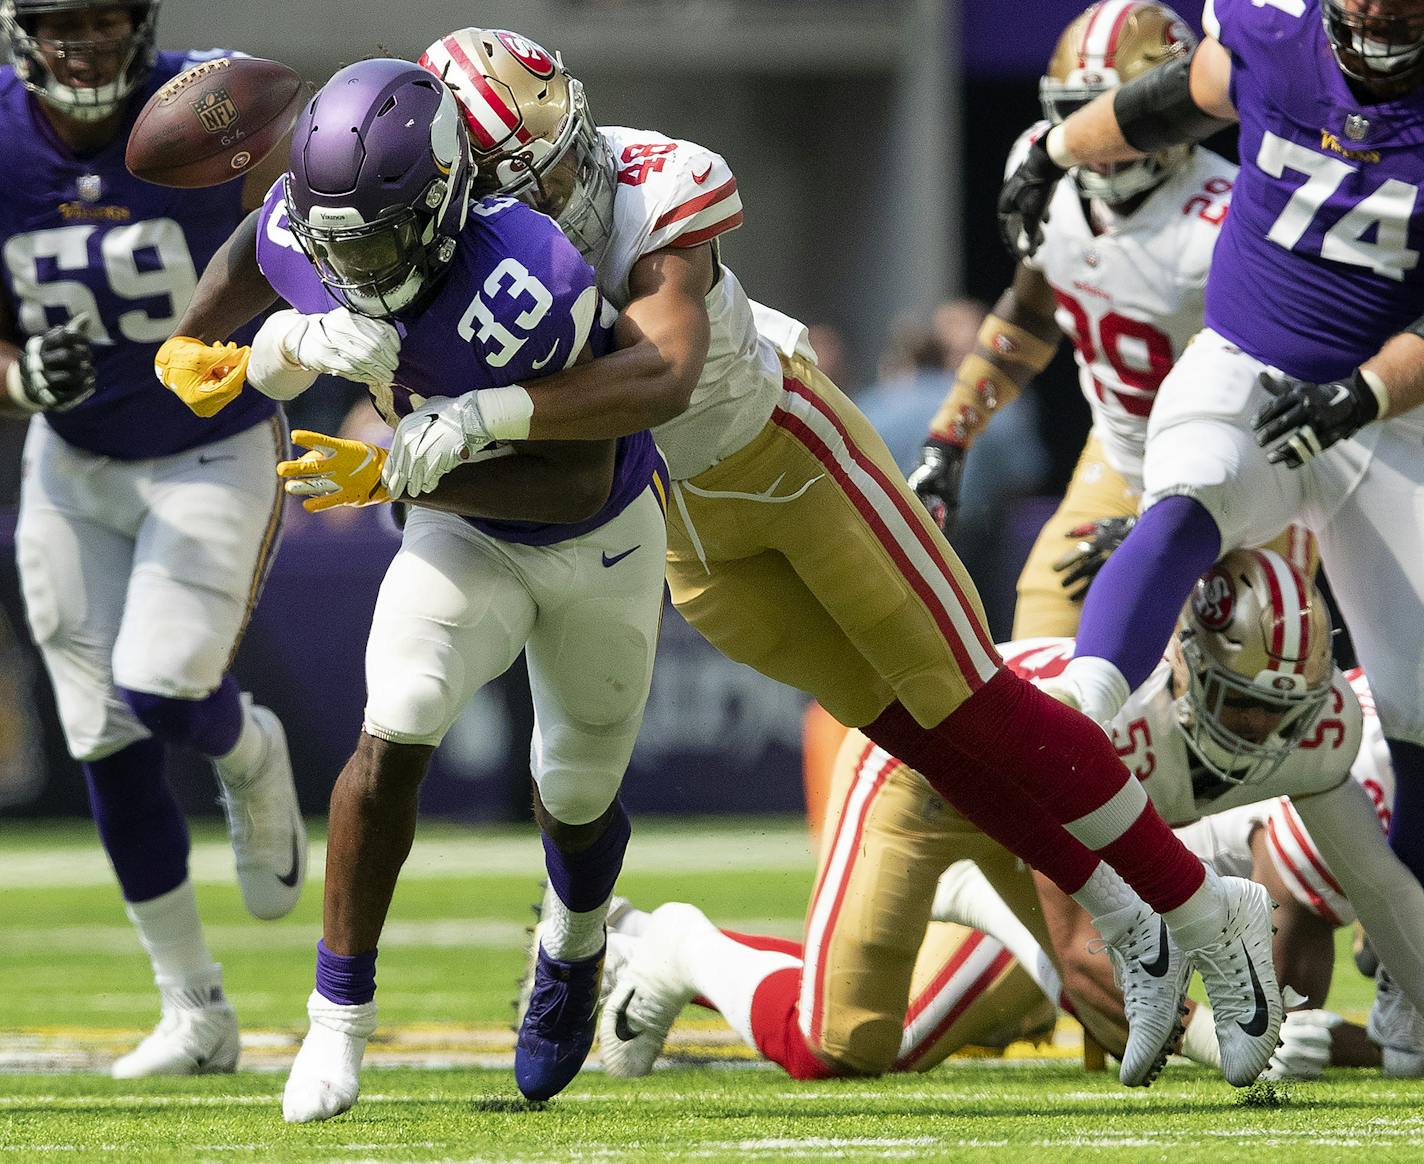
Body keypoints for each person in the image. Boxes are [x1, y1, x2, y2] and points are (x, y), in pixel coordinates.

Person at [419, 28, 1284, 1090]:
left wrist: (480, 410)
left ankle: (1199, 906)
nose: (561, 170)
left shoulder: (660, 182)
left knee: (969, 699)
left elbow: (666, 374)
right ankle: (1120, 910)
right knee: (914, 735)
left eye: (557, 138)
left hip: (790, 456)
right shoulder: (449, 246)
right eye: (525, 166)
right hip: (684, 521)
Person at [158, 58, 670, 1119]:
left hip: (596, 529)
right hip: (457, 532)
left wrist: (434, 443)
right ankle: (335, 1021)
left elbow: (575, 471)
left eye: (378, 242)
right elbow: (224, 294)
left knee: (573, 792)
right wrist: (248, 351)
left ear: (442, 198)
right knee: (395, 723)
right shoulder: (314, 225)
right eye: (335, 244)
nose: (355, 266)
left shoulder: (525, 269)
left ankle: (573, 948)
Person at [996, 0, 1424, 1065]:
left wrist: (1363, 394)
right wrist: (1053, 149)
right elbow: (1179, 99)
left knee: (1416, 709)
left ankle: (1408, 997)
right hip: (1250, 358)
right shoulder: (1273, 29)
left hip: (1398, 415)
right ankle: (1083, 712)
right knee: (1186, 490)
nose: (1375, 17)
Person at [600, 551, 1424, 1082]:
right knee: (839, 1046)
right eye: (1242, 707)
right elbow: (1080, 953)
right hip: (922, 778)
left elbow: (1381, 890)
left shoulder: (1321, 735)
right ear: (1187, 667)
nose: (1261, 734)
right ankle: (678, 946)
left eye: (1281, 714)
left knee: (912, 1039)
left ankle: (975, 899)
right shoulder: (1120, 719)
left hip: (1062, 837)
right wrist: (1222, 1040)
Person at [0, 0, 304, 1078]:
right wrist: (15, 375)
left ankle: (248, 750)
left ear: (140, 23)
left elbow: (313, 240)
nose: (80, 43)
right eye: (58, 23)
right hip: (70, 460)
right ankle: (195, 1011)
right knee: (98, 732)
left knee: (166, 687)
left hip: (208, 443)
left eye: (101, 20)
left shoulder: (211, 104)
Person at [910, 1, 1311, 641]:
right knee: (1043, 644)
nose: (1097, 146)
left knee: (1252, 671)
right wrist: (950, 439)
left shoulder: (1225, 220)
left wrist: (1170, 524)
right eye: (1078, 116)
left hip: (1249, 482)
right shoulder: (1044, 177)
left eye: (1118, 119)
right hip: (1122, 459)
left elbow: (1280, 402)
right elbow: (1033, 313)